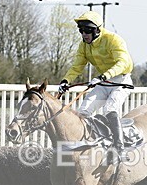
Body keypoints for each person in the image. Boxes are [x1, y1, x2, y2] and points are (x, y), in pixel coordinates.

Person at [57, 10, 134, 163]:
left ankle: (119, 148)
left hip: (121, 82)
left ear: (97, 30)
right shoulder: (84, 46)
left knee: (110, 109)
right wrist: (66, 80)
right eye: (81, 31)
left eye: (87, 31)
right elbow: (77, 66)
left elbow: (123, 63)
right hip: (102, 82)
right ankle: (84, 147)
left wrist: (103, 76)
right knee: (83, 112)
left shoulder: (113, 40)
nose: (84, 34)